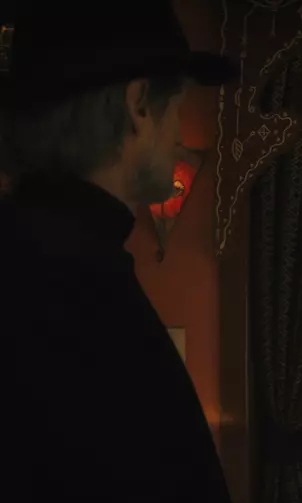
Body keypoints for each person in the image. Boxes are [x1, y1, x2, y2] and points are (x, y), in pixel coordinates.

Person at [0, 2, 238, 503]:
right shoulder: (77, 294)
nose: (179, 136)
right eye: (177, 107)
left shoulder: (44, 263)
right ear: (139, 105)